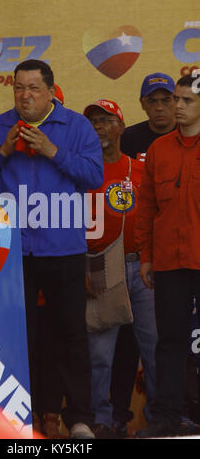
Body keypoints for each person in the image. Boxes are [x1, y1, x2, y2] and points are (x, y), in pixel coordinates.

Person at [0, 59, 104, 439]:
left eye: (33, 89)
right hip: (12, 252)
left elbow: (94, 177)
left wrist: (53, 151)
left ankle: (79, 419)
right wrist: (3, 151)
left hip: (63, 248)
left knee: (72, 335)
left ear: (51, 91)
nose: (24, 96)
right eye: (18, 88)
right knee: (15, 337)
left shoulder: (76, 126)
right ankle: (17, 418)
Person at [83, 99, 157, 439]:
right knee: (100, 353)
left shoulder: (141, 170)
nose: (99, 126)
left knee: (155, 346)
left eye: (106, 120)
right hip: (99, 268)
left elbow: (158, 217)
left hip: (140, 266)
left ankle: (160, 416)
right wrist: (81, 268)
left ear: (122, 127)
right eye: (93, 121)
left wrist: (153, 260)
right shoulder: (80, 172)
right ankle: (101, 419)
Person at [135, 73, 200, 438]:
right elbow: (146, 208)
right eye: (176, 99)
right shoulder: (160, 149)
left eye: (186, 100)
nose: (177, 106)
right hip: (169, 262)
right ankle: (167, 419)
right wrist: (146, 257)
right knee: (170, 341)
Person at [111, 73, 176, 433]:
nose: (161, 107)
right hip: (131, 257)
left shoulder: (190, 137)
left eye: (167, 100)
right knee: (121, 343)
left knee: (165, 341)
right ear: (142, 105)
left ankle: (166, 415)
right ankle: (117, 417)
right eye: (154, 101)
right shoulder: (129, 139)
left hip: (176, 256)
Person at [121, 72, 176, 159]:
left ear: (176, 102)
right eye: (152, 101)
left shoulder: (190, 135)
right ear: (142, 104)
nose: (159, 108)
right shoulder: (126, 139)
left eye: (166, 100)